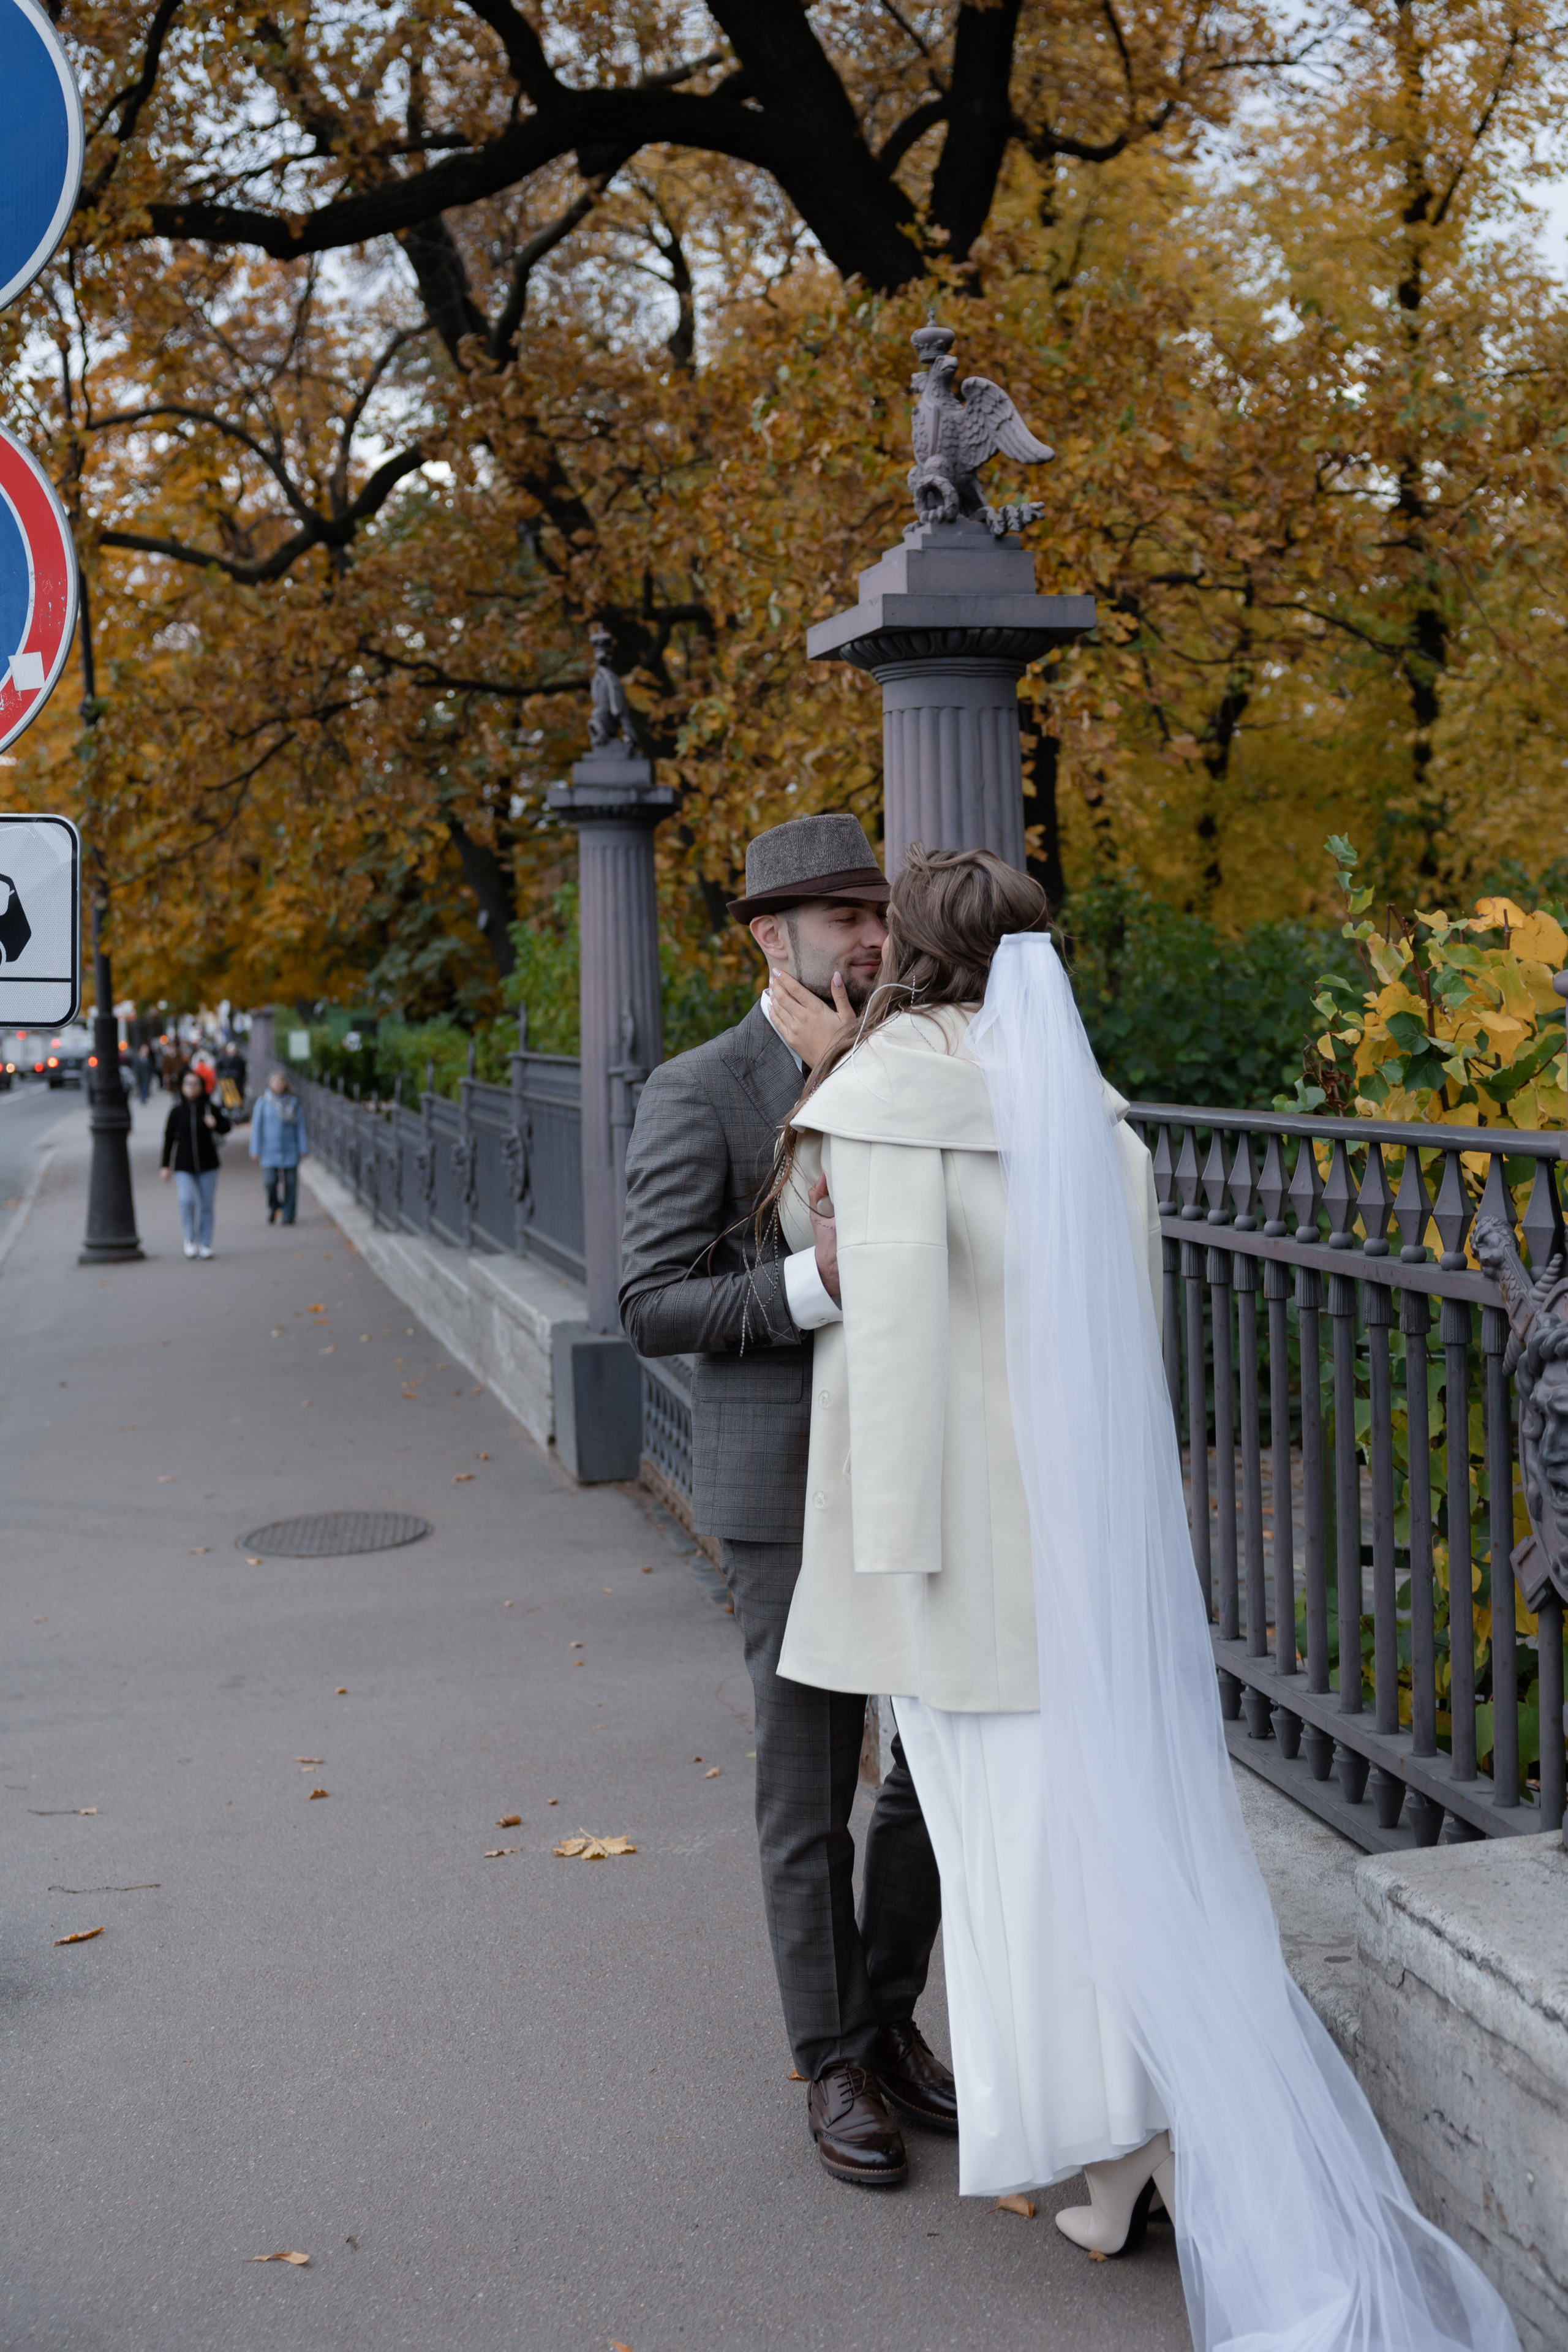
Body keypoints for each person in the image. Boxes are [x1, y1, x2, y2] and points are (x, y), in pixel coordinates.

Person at [769, 846, 1518, 2352]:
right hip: (1079, 1557)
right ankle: (1127, 2169)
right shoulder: (1080, 1104)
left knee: (1013, 1888)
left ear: (903, 950)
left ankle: (1145, 2154)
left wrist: (886, 1583)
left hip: (955, 1576)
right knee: (1092, 1864)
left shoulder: (891, 1094)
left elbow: (890, 1343)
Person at [620, 813, 954, 2192]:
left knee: (934, 1766)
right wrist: (813, 1285)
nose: (872, 939)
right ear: (771, 936)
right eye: (843, 920)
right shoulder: (701, 1089)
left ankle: (884, 2014)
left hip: (928, 1462)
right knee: (808, 1778)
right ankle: (829, 2058)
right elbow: (648, 1302)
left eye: (877, 913)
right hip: (791, 1482)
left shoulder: (920, 1059)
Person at [160, 1066, 230, 1259]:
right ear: (182, 1087)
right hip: (184, 1165)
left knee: (206, 1205)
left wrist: (215, 1124)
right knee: (186, 1200)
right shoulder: (176, 1111)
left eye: (195, 1084)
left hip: (209, 1165)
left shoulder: (210, 1108)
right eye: (188, 1084)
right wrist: (165, 1165)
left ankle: (205, 1243)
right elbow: (168, 1139)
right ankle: (190, 1239)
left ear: (202, 1087)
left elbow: (227, 1127)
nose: (191, 1087)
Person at [249, 1066, 307, 1224]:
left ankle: (288, 1215)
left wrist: (303, 1148)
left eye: (281, 1081)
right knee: (270, 1182)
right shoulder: (263, 1103)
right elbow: (257, 1128)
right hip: (269, 1151)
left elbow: (300, 1127)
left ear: (286, 1084)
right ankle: (274, 1206)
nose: (278, 1084)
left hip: (290, 1149)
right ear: (270, 1084)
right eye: (275, 1081)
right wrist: (255, 1149)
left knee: (291, 1183)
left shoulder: (293, 1103)